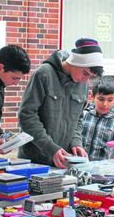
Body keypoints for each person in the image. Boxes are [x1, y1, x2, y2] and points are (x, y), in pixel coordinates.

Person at [18, 38, 104, 169]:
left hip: (63, 161)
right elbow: (26, 116)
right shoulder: (44, 74)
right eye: (85, 73)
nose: (85, 80)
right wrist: (50, 148)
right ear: (75, 62)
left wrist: (76, 143)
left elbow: (78, 120)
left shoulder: (83, 85)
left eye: (90, 76)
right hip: (34, 160)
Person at [81, 76, 114, 161]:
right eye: (101, 99)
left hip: (104, 172)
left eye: (110, 100)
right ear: (92, 97)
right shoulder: (83, 116)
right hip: (79, 168)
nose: (105, 104)